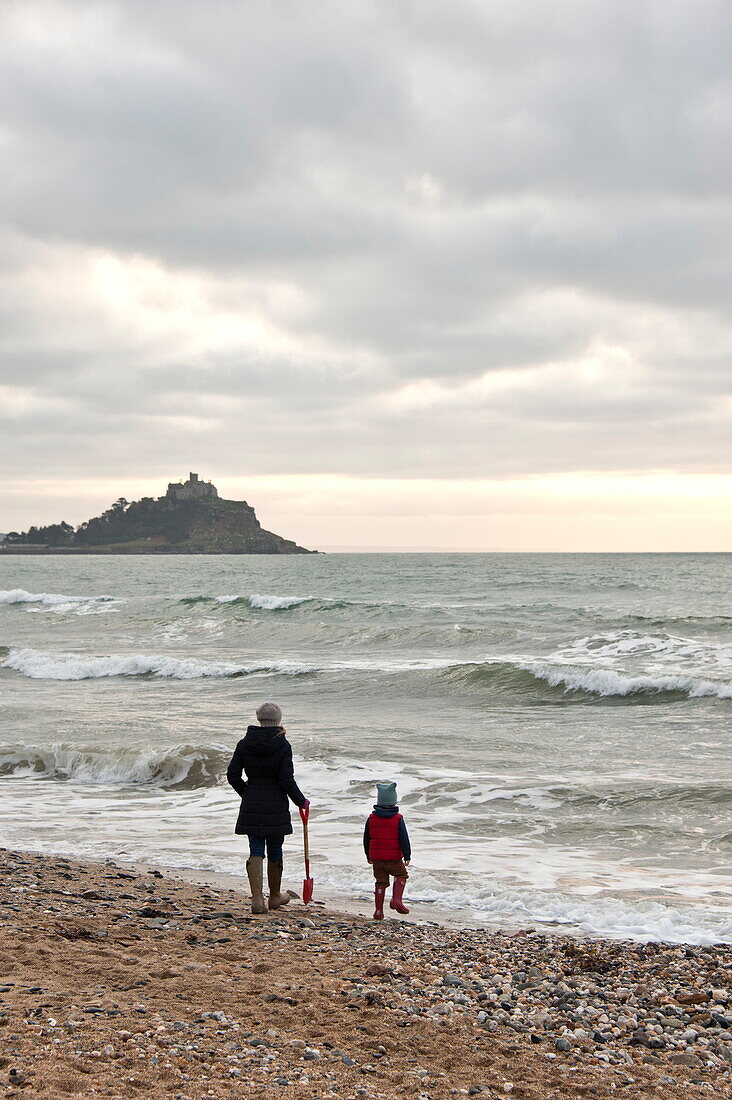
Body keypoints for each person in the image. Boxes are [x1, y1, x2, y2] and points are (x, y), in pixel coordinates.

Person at [226, 702, 309, 914]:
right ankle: (274, 896)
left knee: (255, 848)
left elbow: (232, 775)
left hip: (252, 802)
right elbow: (285, 779)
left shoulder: (244, 743)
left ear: (259, 719)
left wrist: (248, 794)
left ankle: (256, 899)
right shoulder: (283, 745)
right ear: (278, 720)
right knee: (275, 848)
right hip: (276, 805)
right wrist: (301, 801)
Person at [363, 780, 411, 921]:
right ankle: (397, 900)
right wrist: (407, 855)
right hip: (393, 858)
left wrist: (368, 854)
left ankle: (378, 911)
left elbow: (367, 838)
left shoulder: (371, 818)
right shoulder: (397, 818)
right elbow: (404, 838)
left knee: (380, 882)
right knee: (401, 874)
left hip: (377, 858)